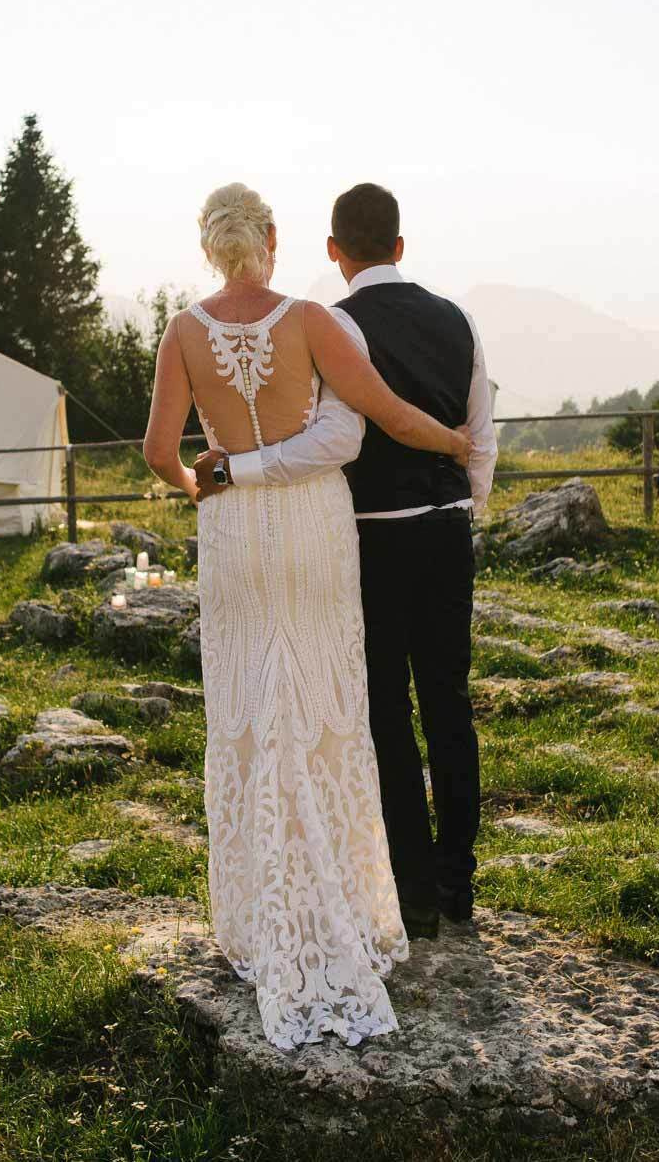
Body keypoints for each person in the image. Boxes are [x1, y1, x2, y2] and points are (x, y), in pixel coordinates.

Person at [142, 183, 473, 1050]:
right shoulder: (312, 322)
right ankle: (345, 899)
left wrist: (202, 485)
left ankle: (262, 916)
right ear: (275, 240)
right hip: (315, 523)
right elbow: (385, 414)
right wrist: (452, 442)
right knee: (326, 707)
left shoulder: (184, 331)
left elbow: (156, 451)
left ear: (211, 247)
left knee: (253, 708)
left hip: (234, 533)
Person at [199, 182, 497, 933]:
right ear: (401, 245)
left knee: (385, 713)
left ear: (334, 252)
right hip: (443, 527)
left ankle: (416, 890)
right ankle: (461, 882)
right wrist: (467, 500)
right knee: (450, 702)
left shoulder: (328, 323)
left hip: (366, 536)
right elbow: (478, 426)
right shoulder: (457, 320)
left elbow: (332, 428)